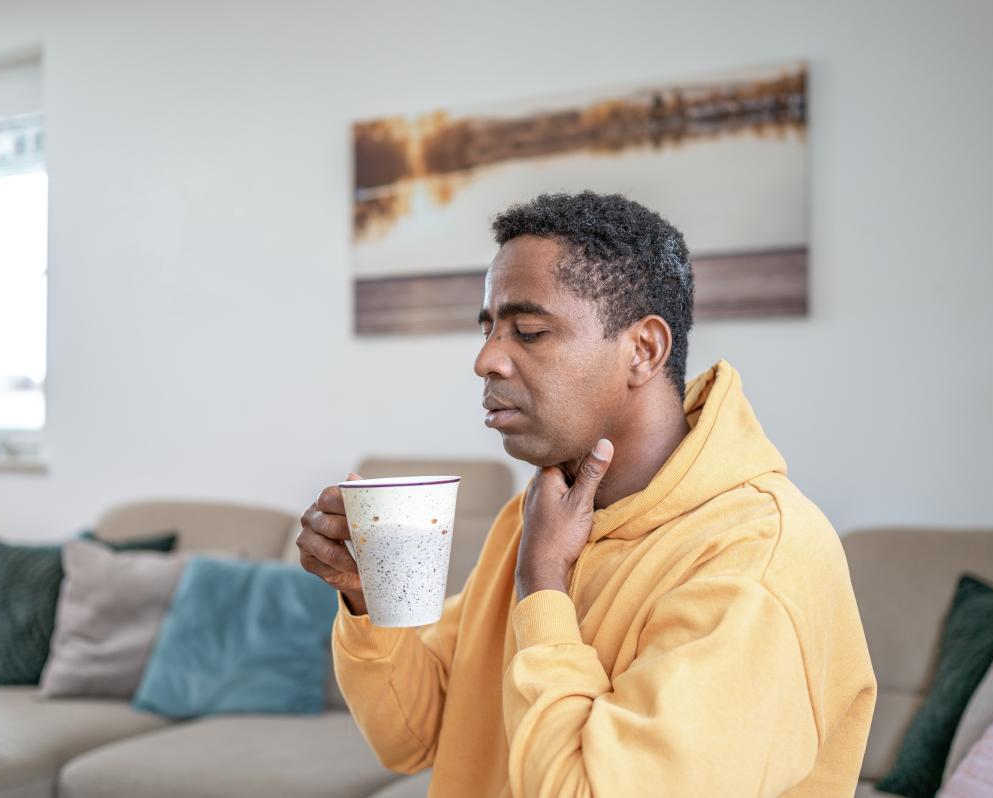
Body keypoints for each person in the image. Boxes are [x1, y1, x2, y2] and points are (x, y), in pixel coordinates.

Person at [297, 191, 876, 797]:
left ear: (643, 351)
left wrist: (543, 585)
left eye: (529, 331)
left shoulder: (756, 560)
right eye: (490, 329)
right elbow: (413, 736)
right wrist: (369, 596)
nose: (486, 360)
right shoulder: (540, 515)